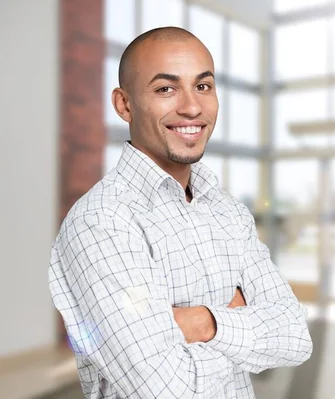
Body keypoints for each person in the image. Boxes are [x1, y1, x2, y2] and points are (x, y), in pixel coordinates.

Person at [48, 26, 312, 398]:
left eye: (202, 86)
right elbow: (162, 387)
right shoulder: (101, 221)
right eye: (165, 89)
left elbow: (295, 336)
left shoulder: (227, 212)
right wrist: (240, 322)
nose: (191, 106)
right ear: (124, 104)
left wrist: (202, 323)